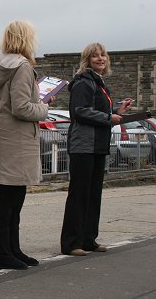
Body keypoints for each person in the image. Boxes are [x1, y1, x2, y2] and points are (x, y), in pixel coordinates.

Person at [0, 20, 50, 270]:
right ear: (26, 39)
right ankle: (1, 254)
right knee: (9, 198)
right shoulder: (22, 67)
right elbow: (21, 107)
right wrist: (44, 108)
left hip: (4, 135)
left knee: (10, 196)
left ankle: (11, 249)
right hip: (17, 140)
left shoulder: (1, 63)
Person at [60, 42, 133, 256]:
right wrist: (109, 117)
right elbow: (80, 111)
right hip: (83, 145)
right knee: (79, 194)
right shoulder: (84, 82)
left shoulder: (99, 83)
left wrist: (116, 110)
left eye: (103, 55)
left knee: (94, 194)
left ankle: (88, 239)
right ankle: (71, 242)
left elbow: (98, 110)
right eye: (95, 56)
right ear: (87, 60)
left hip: (98, 145)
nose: (101, 59)